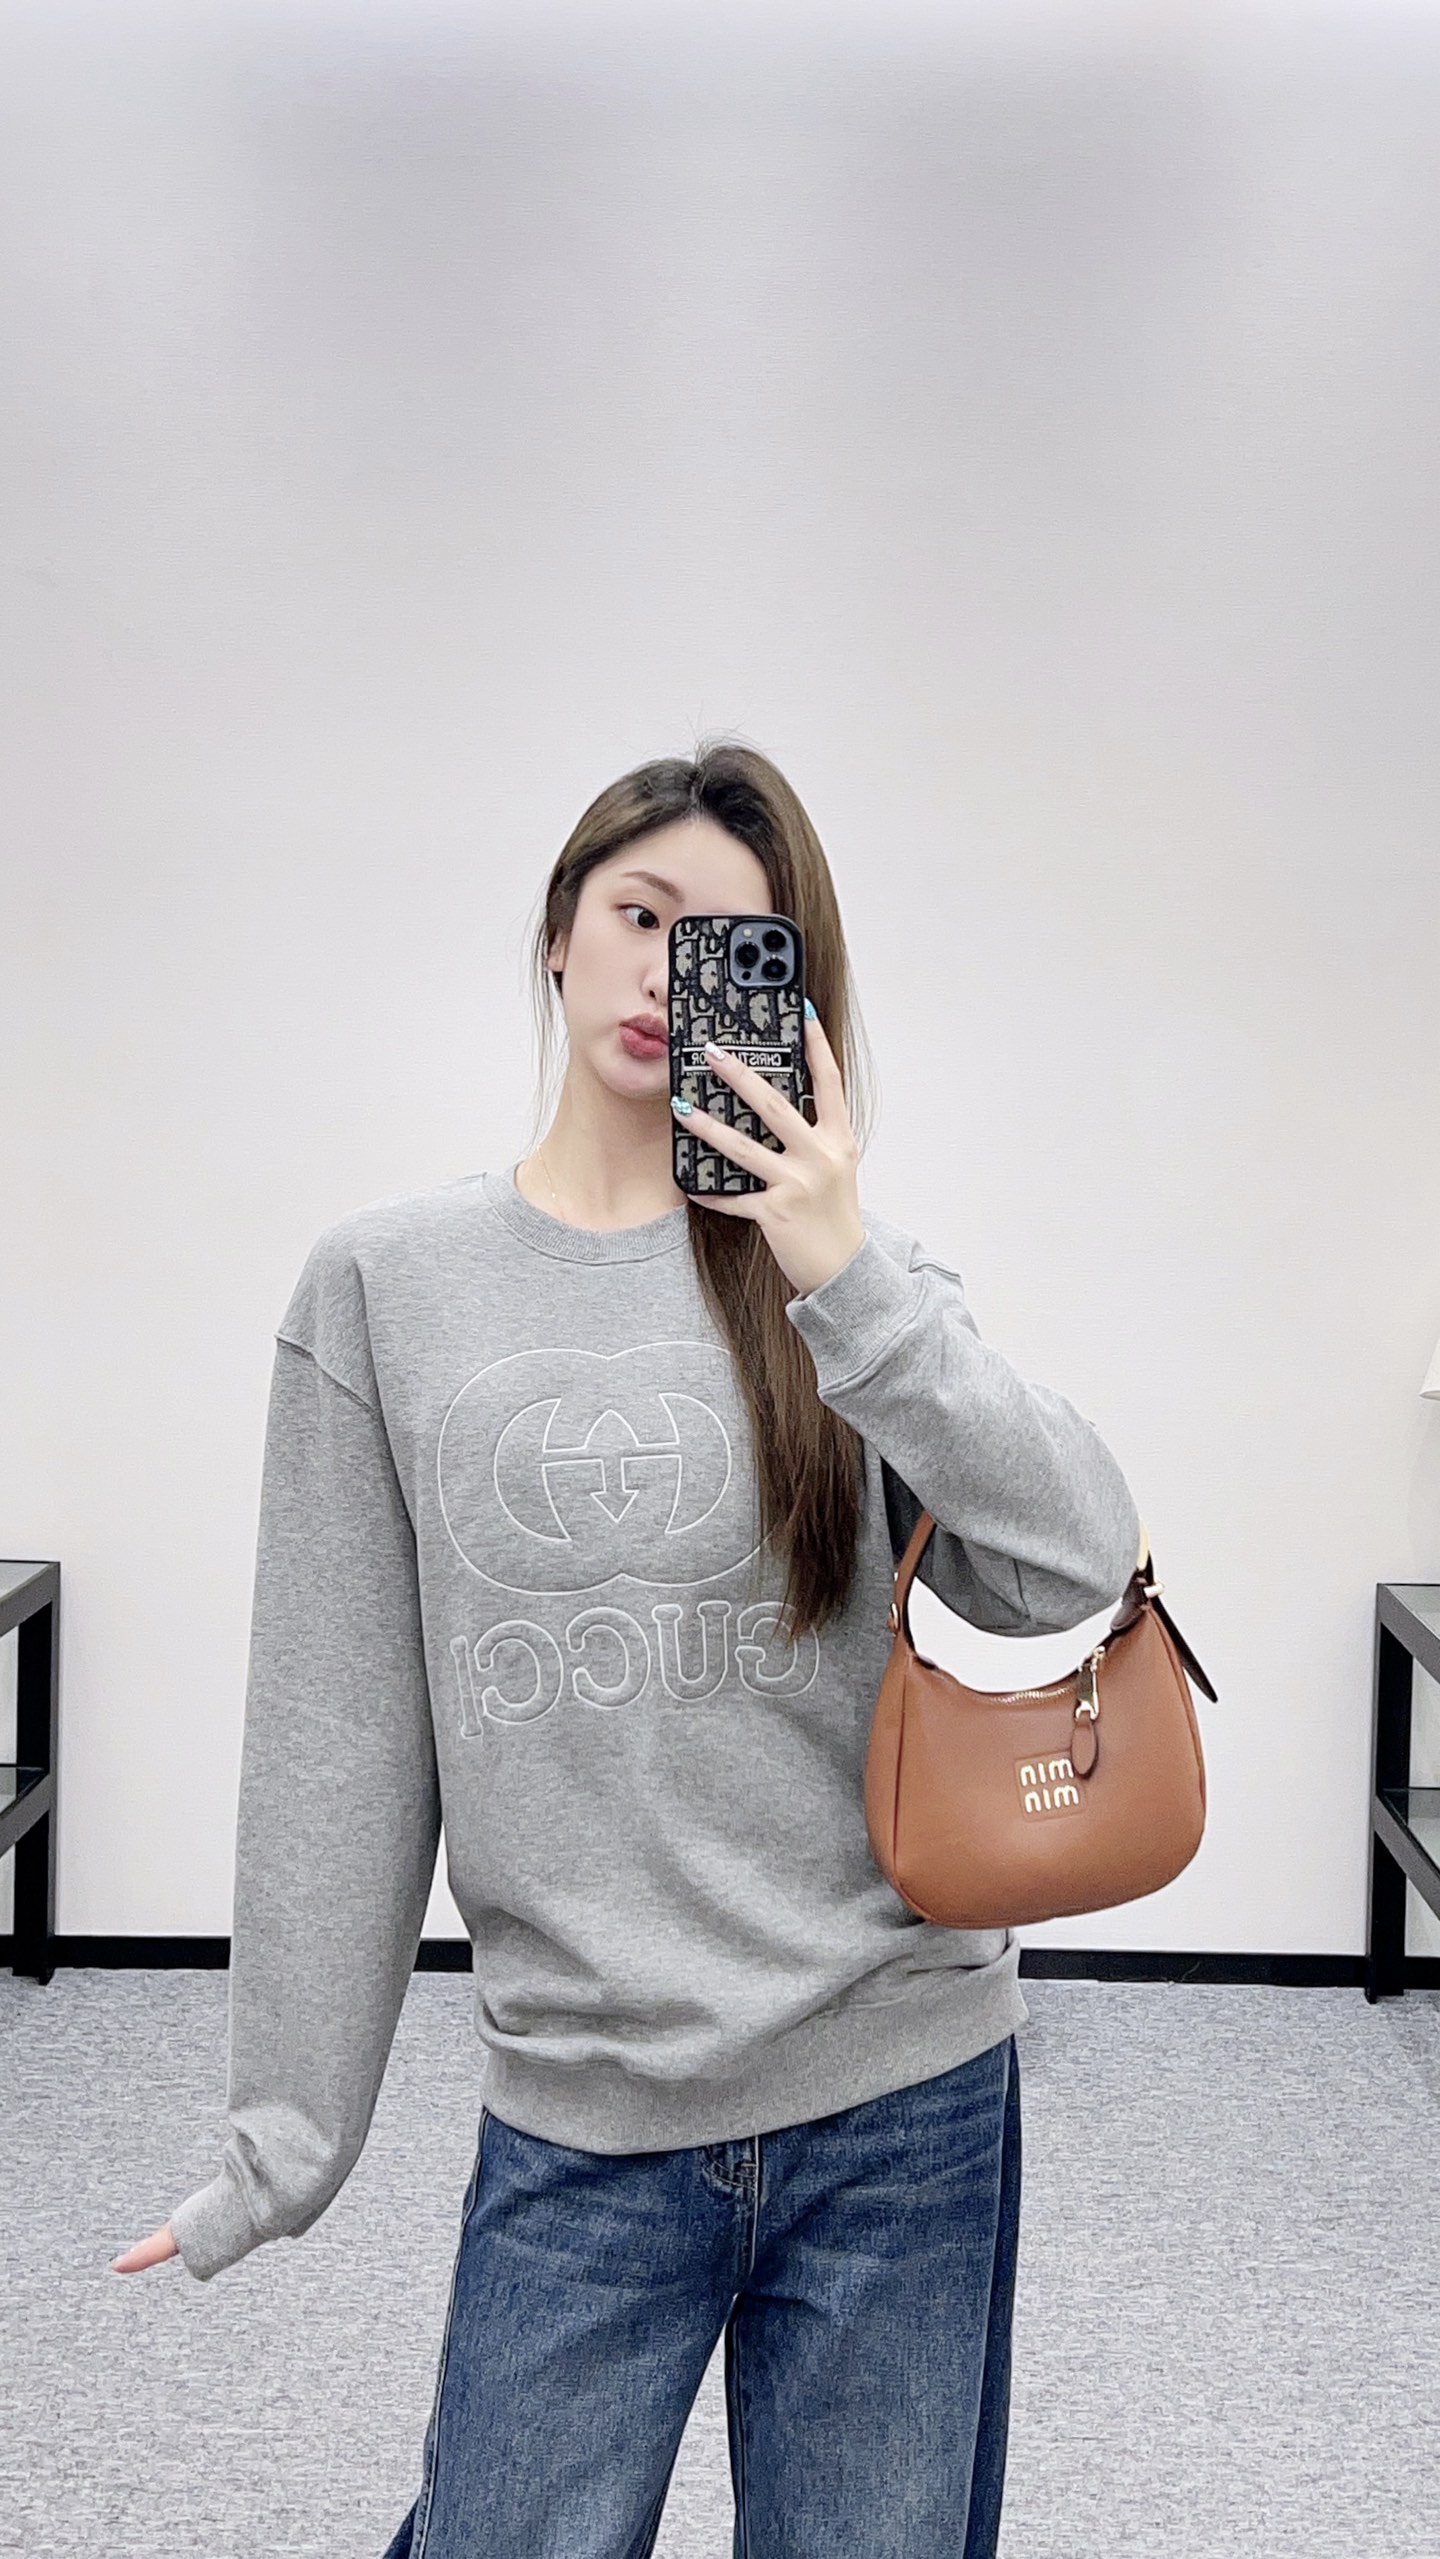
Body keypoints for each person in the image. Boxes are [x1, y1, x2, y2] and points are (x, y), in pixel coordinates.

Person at [111, 740, 1144, 2558]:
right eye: (639, 915)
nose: (670, 975)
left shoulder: (853, 1281)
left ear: (792, 997)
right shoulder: (385, 1288)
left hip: (901, 2097)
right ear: (557, 936)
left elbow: (1081, 1556)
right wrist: (284, 2144)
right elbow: (339, 1742)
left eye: (728, 943)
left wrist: (845, 1274)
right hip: (585, 2118)